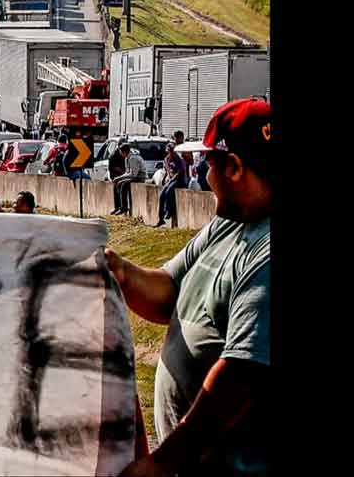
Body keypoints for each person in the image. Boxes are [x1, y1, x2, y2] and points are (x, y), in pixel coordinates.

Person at [106, 99, 271, 477]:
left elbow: (240, 378)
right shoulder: (230, 222)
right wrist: (122, 273)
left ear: (235, 168)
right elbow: (168, 292)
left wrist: (163, 463)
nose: (203, 175)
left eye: (208, 164)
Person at [157, 142, 188, 227]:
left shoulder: (179, 160)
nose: (170, 153)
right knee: (162, 195)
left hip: (179, 180)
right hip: (171, 179)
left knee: (169, 191)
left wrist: (171, 179)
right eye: (169, 151)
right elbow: (167, 171)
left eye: (172, 151)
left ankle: (168, 211)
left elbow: (179, 173)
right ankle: (160, 218)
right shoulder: (167, 159)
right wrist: (165, 179)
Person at [111, 144, 147, 216]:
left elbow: (133, 174)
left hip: (139, 176)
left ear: (124, 152)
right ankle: (119, 207)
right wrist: (119, 178)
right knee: (118, 184)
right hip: (133, 176)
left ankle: (124, 208)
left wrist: (119, 178)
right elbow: (127, 173)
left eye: (121, 152)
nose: (120, 154)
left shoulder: (133, 158)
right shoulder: (127, 158)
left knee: (123, 185)